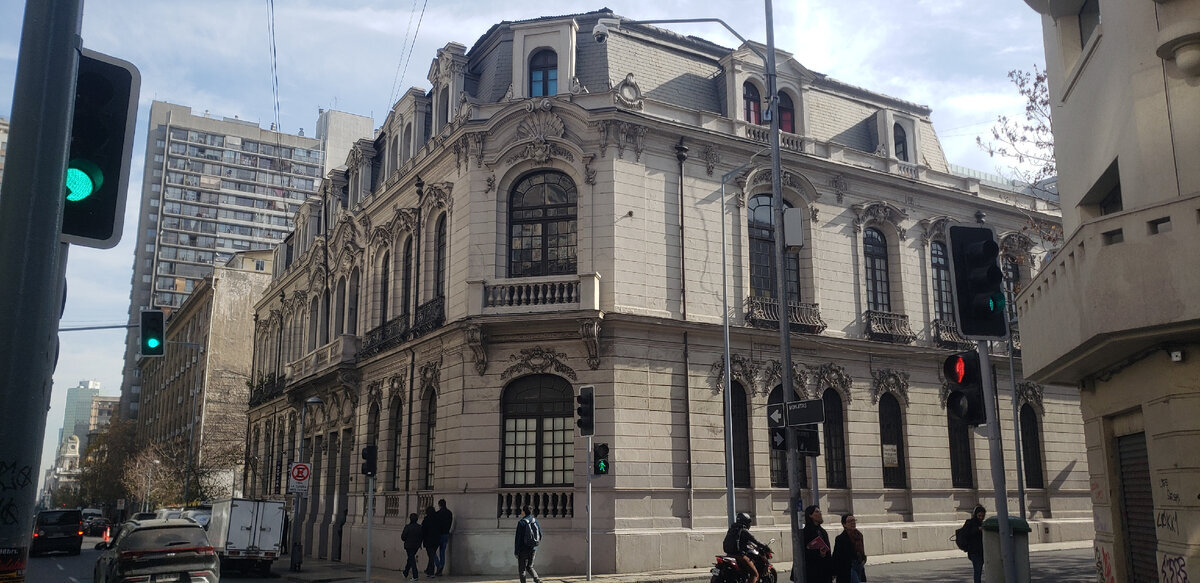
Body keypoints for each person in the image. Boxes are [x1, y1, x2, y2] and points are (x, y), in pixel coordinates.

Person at [722, 512, 764, 583]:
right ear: (746, 522)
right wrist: (765, 546)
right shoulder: (743, 530)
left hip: (729, 554)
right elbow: (755, 541)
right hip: (739, 555)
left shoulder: (732, 529)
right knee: (754, 574)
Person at [832, 514, 867, 583]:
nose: (853, 523)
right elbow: (836, 556)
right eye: (850, 521)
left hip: (859, 565)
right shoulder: (840, 538)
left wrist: (863, 559)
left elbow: (861, 551)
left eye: (854, 520)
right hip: (848, 567)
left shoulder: (859, 536)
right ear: (844, 524)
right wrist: (834, 572)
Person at [802, 505, 833, 583]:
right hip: (812, 572)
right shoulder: (805, 532)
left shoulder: (823, 531)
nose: (820, 513)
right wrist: (818, 553)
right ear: (810, 515)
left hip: (824, 571)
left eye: (820, 511)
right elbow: (802, 552)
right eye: (817, 512)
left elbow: (828, 551)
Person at [515, 505, 542, 583]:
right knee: (530, 566)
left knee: (522, 569)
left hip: (523, 549)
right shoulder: (535, 521)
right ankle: (537, 579)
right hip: (533, 548)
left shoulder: (521, 523)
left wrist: (516, 552)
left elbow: (518, 539)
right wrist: (535, 545)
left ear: (523, 512)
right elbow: (540, 534)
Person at [961, 505, 986, 583]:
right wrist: (978, 529)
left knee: (981, 570)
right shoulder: (970, 523)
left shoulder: (983, 523)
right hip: (974, 551)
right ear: (975, 514)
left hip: (982, 551)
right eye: (979, 515)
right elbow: (967, 534)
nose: (981, 517)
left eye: (982, 516)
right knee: (977, 571)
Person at [433, 499, 453, 576]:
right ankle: (441, 566)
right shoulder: (449, 513)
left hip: (438, 534)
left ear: (439, 505)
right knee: (442, 552)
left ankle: (438, 565)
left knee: (433, 551)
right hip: (446, 534)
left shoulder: (437, 514)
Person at [401, 513, 423, 581]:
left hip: (409, 546)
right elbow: (421, 536)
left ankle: (415, 575)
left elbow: (403, 537)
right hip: (416, 546)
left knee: (412, 559)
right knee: (410, 558)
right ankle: (406, 572)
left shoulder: (407, 527)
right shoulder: (420, 527)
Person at [422, 506, 440, 576]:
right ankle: (428, 570)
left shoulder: (426, 520)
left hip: (428, 540)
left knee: (431, 556)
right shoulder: (438, 519)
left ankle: (431, 572)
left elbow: (423, 530)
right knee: (431, 556)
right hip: (436, 540)